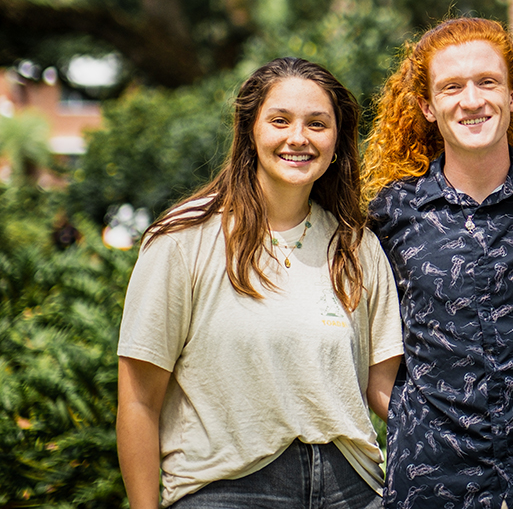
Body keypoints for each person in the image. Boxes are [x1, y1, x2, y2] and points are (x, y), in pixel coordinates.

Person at [116, 57, 403, 509]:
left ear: (336, 139)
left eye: (317, 123)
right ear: (250, 129)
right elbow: (138, 402)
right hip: (225, 489)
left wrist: (496, 410)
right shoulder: (182, 241)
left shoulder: (358, 246)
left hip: (353, 488)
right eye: (280, 120)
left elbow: (385, 392)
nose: (299, 137)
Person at [362, 17, 513, 509]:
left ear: (512, 95)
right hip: (430, 480)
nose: (471, 100)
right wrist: (407, 417)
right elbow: (364, 342)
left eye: (487, 82)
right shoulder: (389, 215)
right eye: (451, 87)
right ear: (427, 106)